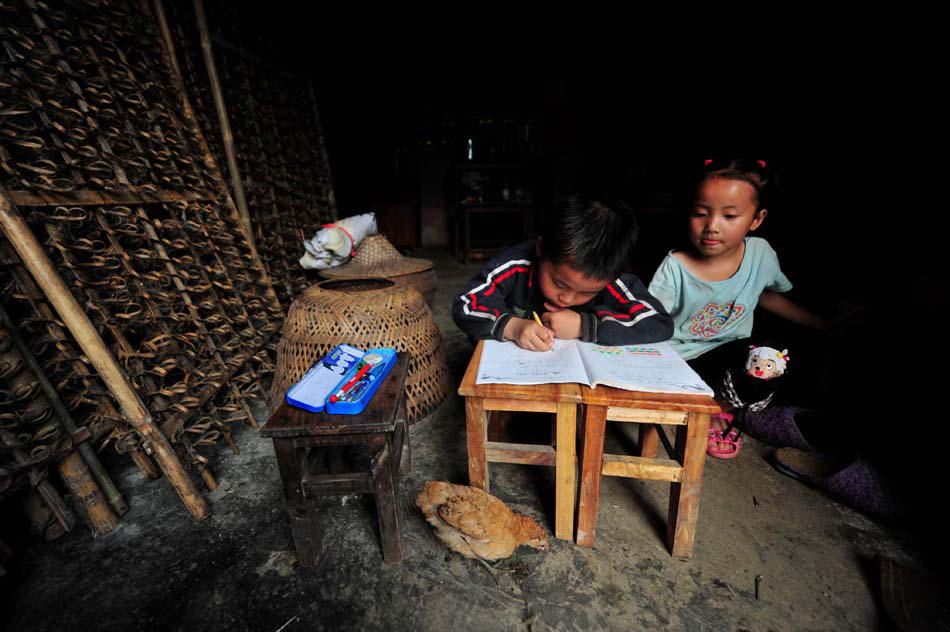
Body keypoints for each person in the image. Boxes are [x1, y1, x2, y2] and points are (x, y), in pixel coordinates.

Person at [648, 159, 829, 457]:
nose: (712, 226)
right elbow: (651, 319)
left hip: (730, 353)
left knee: (768, 359)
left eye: (730, 215)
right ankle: (701, 411)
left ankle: (720, 408)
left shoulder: (761, 254)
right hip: (680, 357)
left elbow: (768, 296)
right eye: (700, 213)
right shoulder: (676, 265)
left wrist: (822, 325)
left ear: (756, 220)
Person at [452, 195, 673, 350]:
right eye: (559, 283)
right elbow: (465, 306)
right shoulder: (514, 265)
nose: (567, 298)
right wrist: (512, 326)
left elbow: (659, 323)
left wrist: (584, 325)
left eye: (586, 293)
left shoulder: (609, 277)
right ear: (541, 248)